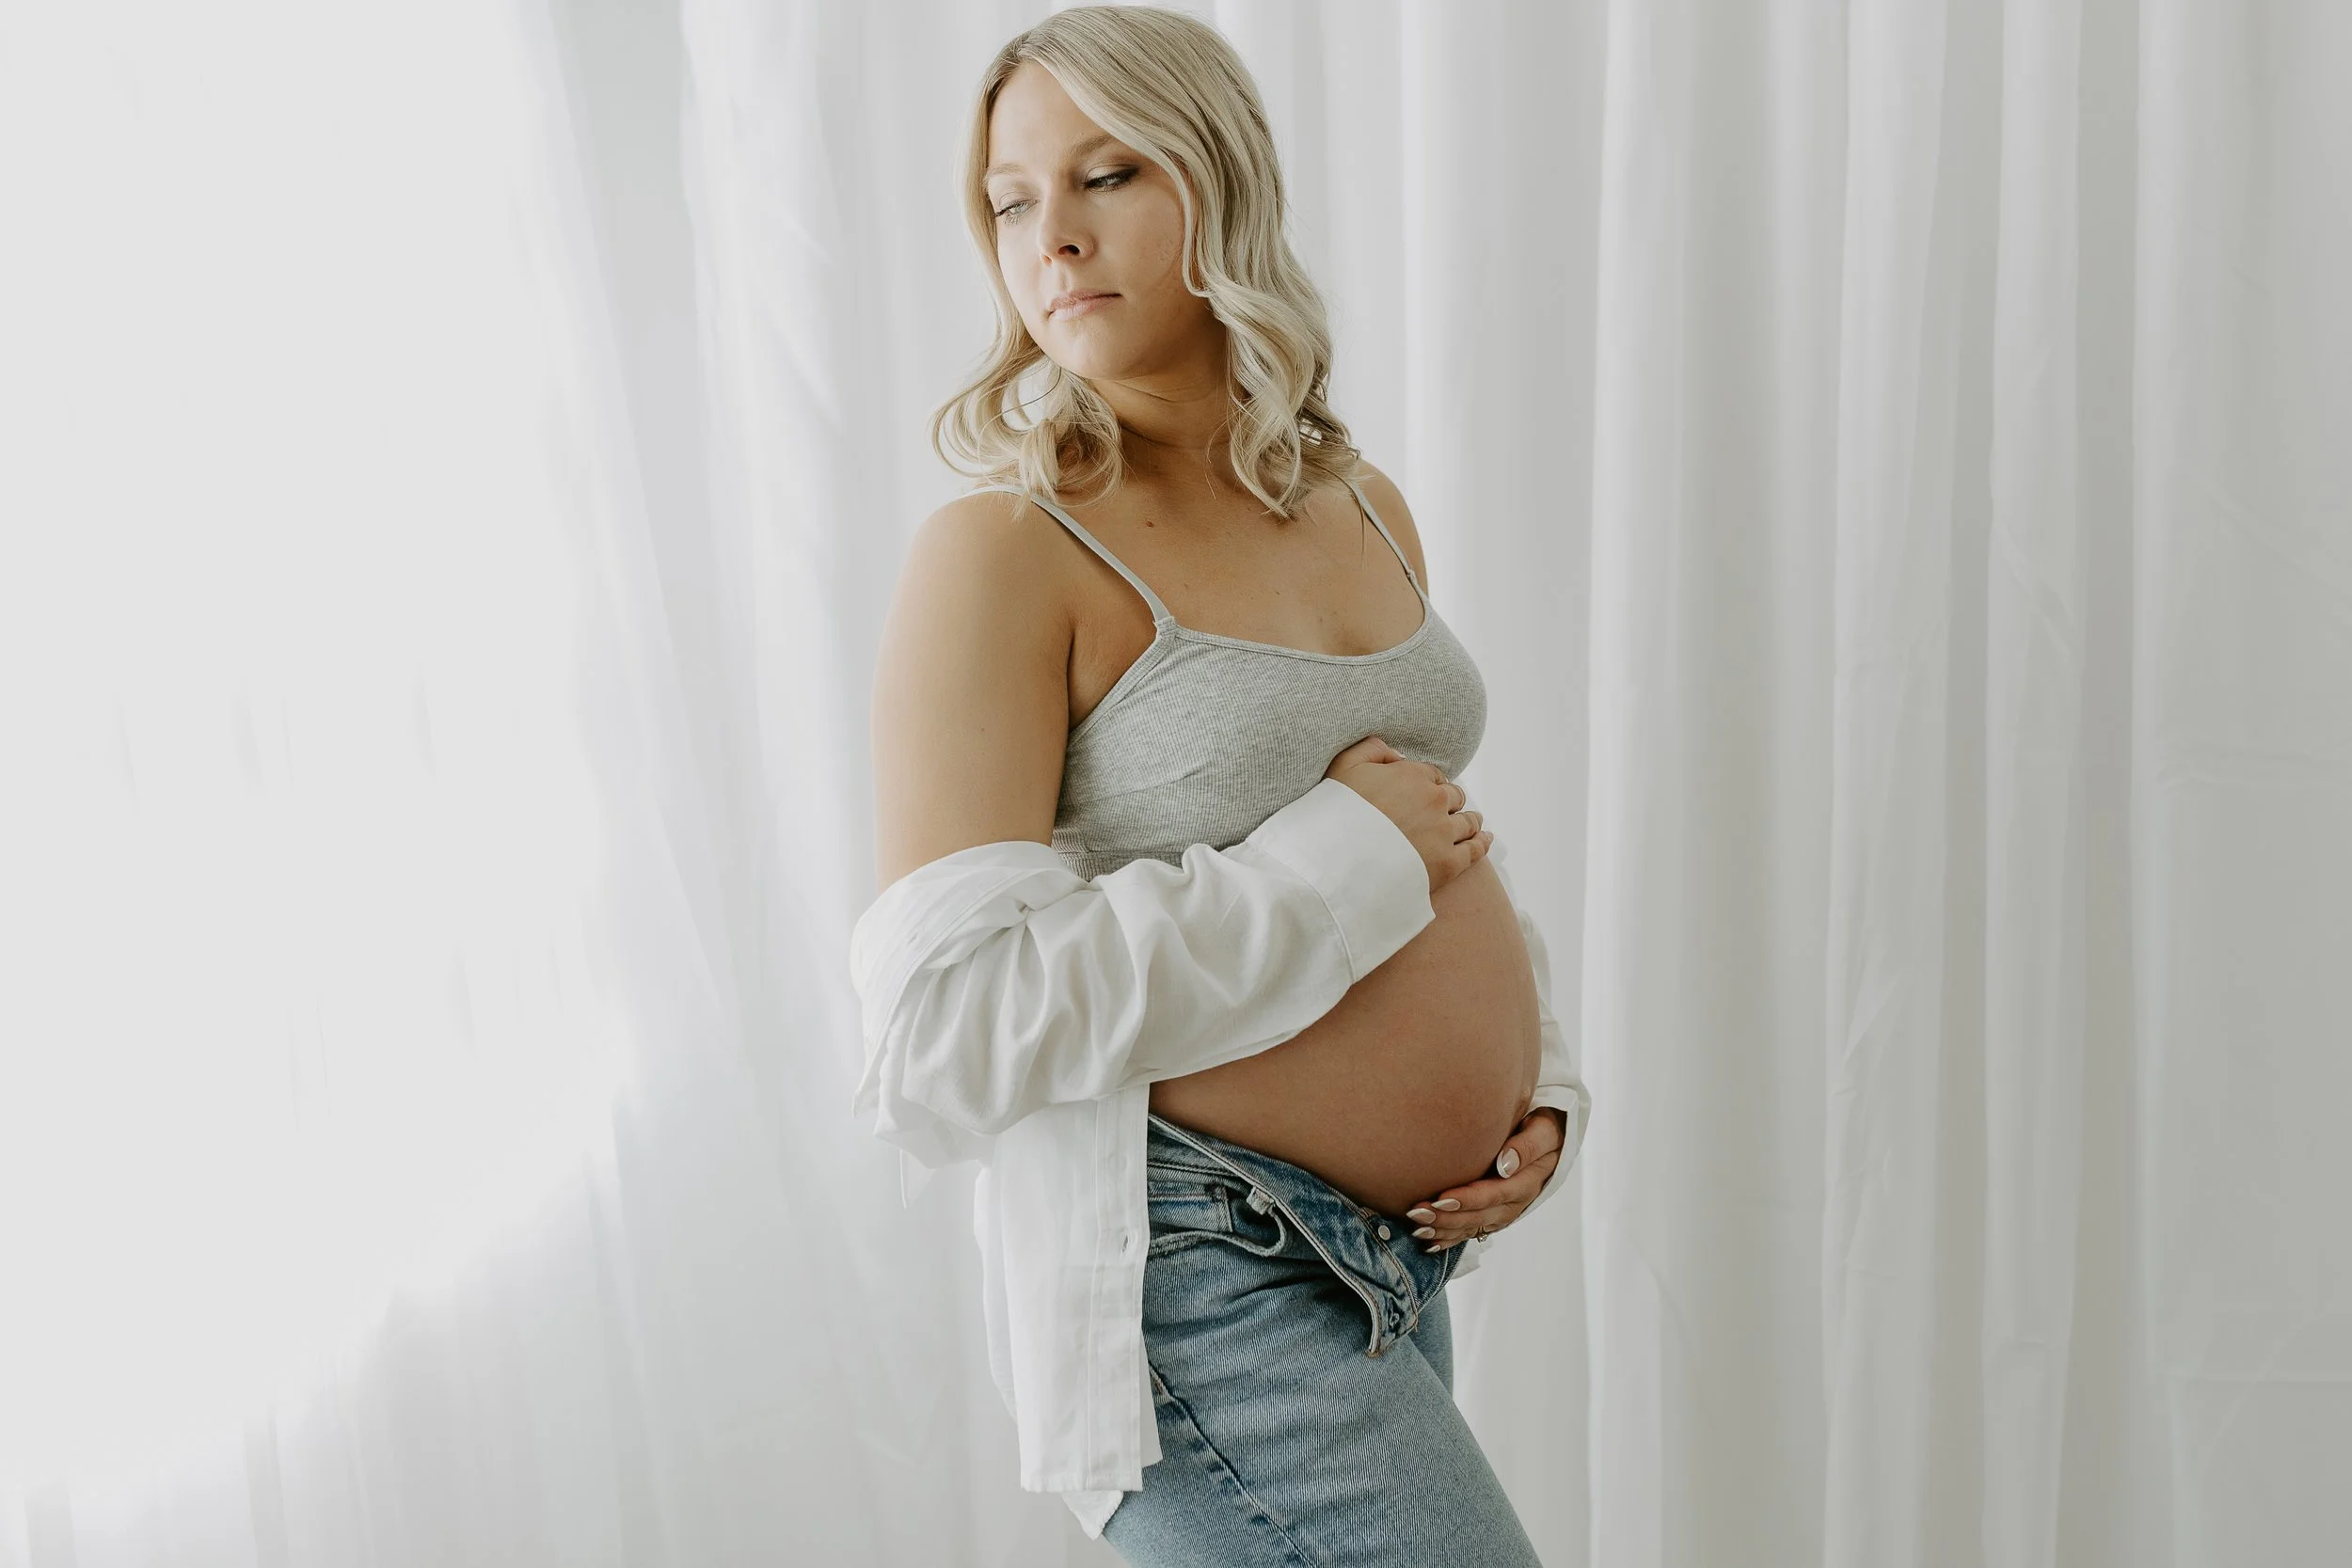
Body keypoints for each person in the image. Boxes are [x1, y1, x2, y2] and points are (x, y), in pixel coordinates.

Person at [850, 8, 1590, 1561]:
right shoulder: (1006, 553)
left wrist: (1542, 1080)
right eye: (1006, 199)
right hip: (1196, 1271)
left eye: (1105, 174)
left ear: (1223, 179)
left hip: (1385, 1258)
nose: (1048, 239)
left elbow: (1431, 826)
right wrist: (1341, 865)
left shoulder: (1355, 499)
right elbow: (942, 1031)